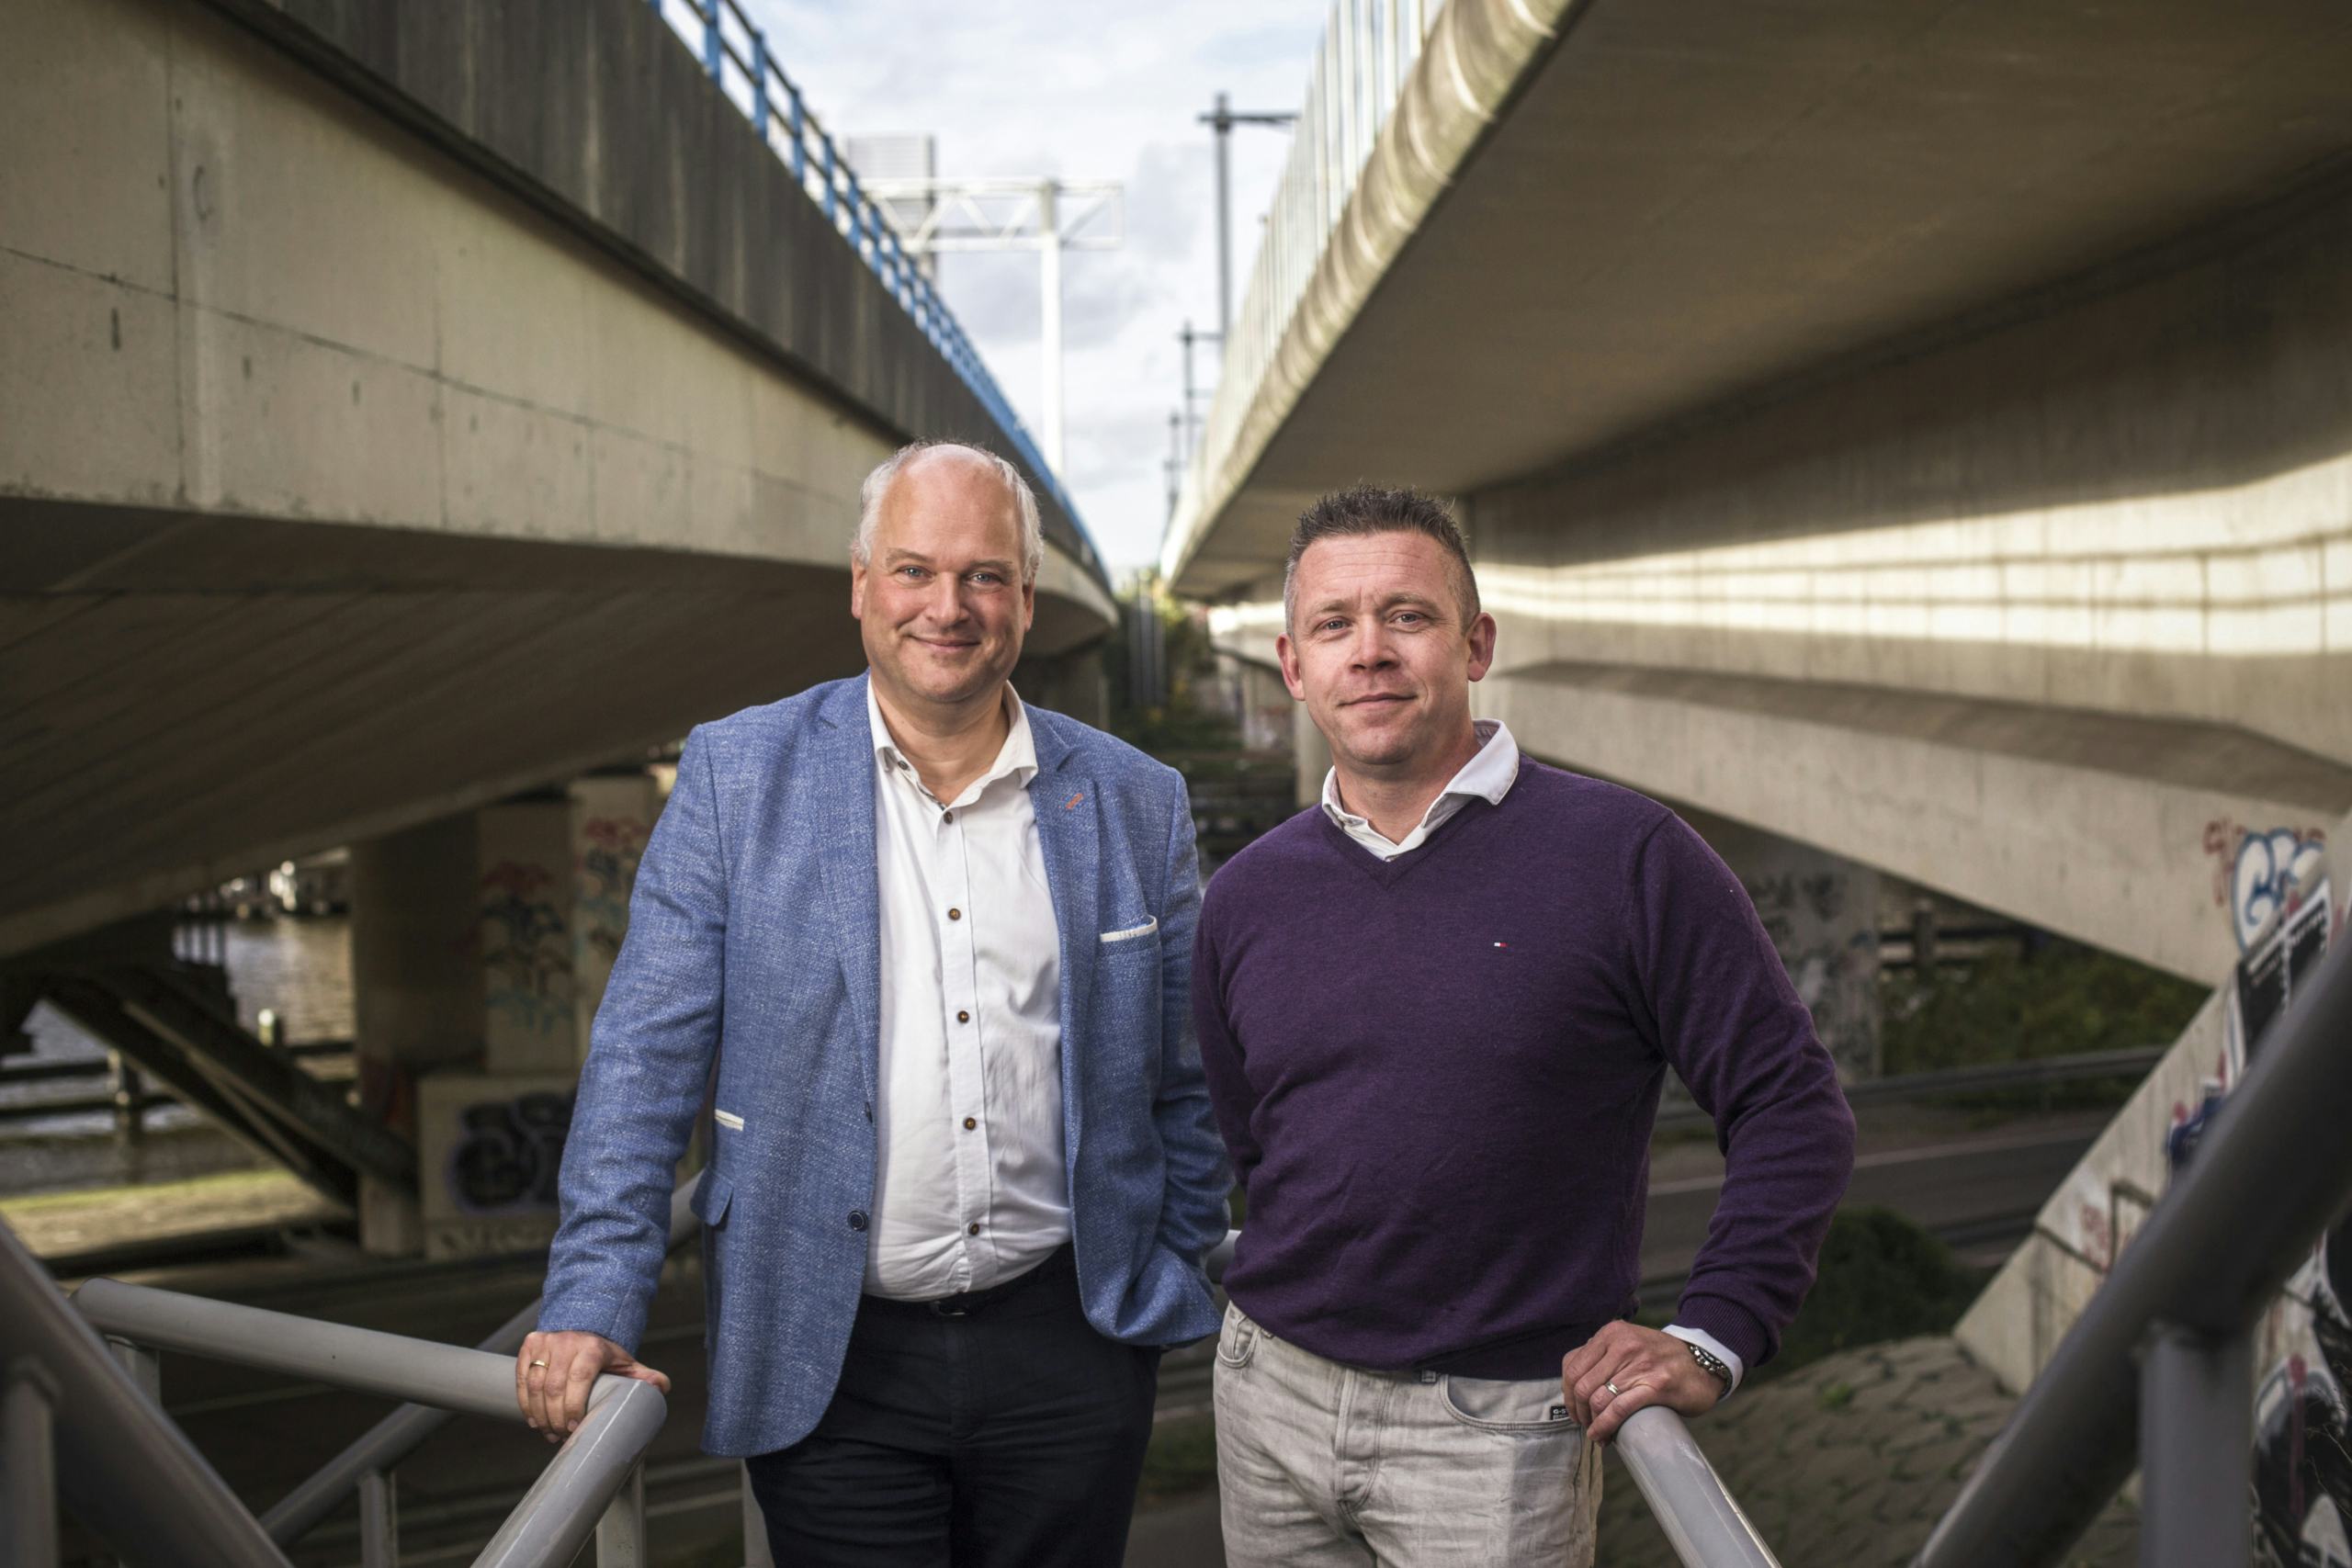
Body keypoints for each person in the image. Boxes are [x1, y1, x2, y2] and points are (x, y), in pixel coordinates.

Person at [516, 442, 1230, 1567]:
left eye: (984, 576)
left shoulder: (1134, 798)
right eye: (913, 571)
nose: (948, 607)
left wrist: (1175, 1263)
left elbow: (1185, 1072)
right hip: (830, 1350)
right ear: (860, 586)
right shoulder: (735, 776)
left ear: (1027, 601)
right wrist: (594, 1296)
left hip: (1071, 1345)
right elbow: (643, 1061)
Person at [1193, 484, 1856, 1566]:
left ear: (1475, 642)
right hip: (1269, 1396)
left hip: (1495, 1434)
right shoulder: (1248, 895)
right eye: (1333, 625)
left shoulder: (1630, 858)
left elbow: (1791, 1107)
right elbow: (1255, 1140)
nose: (1369, 652)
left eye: (1405, 616)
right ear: (1291, 665)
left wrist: (1717, 1330)